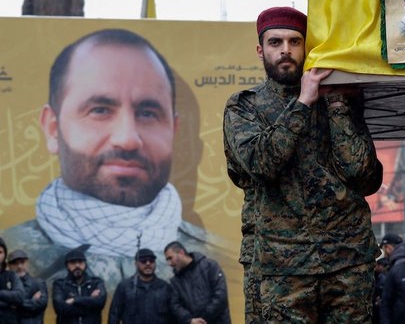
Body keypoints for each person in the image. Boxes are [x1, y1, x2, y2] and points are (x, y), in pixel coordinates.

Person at [2, 28, 236, 291]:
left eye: (148, 113)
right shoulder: (13, 257)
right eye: (99, 110)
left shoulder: (225, 264)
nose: (127, 139)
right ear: (53, 128)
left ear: (174, 130)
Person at [223, 6, 383, 322]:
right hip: (282, 268)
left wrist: (337, 104)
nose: (286, 50)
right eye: (275, 42)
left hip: (347, 260)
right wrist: (303, 104)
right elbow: (262, 163)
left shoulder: (340, 100)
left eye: (295, 41)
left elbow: (364, 176)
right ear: (261, 50)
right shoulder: (245, 107)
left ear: (306, 47)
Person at [164, 241, 231, 324]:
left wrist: (204, 318)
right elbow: (175, 305)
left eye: (170, 258)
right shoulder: (175, 281)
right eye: (167, 260)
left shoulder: (210, 265)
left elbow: (221, 294)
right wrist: (189, 320)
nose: (169, 263)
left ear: (181, 253)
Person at [108, 248, 173, 324]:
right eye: (143, 261)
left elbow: (173, 316)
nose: (148, 263)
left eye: (151, 260)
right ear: (136, 264)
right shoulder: (125, 287)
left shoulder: (165, 287)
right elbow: (114, 315)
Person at [52, 249, 107, 324]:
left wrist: (75, 300)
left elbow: (100, 303)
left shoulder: (96, 282)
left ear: (85, 264)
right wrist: (90, 303)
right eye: (73, 262)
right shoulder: (60, 284)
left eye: (80, 262)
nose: (77, 265)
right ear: (67, 265)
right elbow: (60, 309)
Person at [7, 249, 48, 324]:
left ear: (27, 263)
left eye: (22, 262)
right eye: (15, 263)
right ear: (9, 266)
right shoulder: (5, 285)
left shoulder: (38, 283)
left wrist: (15, 304)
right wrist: (31, 302)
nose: (19, 266)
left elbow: (42, 304)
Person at [0, 237, 25, 324]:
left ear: (5, 255)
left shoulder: (11, 275)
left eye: (0, 252)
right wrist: (8, 303)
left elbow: (20, 296)